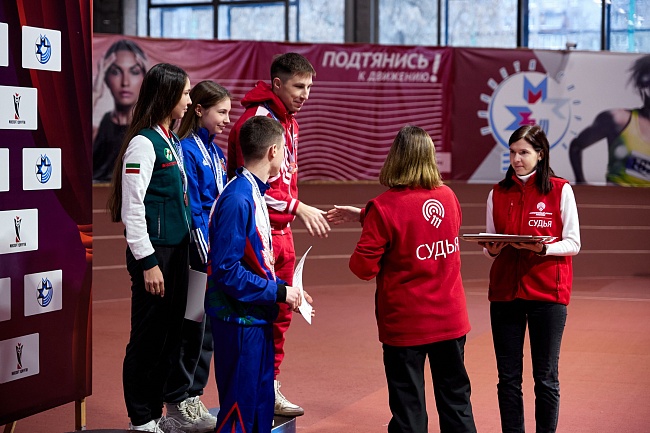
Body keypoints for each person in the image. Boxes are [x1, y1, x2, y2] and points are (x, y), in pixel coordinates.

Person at [341, 126, 478, 433]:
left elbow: (362, 268)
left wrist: (370, 220)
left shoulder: (383, 207)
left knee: (409, 410)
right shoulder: (449, 197)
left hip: (406, 324)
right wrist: (366, 216)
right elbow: (419, 225)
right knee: (457, 401)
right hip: (450, 319)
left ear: (395, 157)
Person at [227, 52, 329, 416]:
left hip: (282, 233)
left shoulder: (290, 121)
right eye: (299, 86)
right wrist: (298, 207)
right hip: (258, 234)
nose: (305, 94)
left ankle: (268, 386)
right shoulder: (257, 121)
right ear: (277, 83)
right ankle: (249, 392)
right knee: (257, 314)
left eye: (309, 87)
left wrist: (293, 210)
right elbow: (251, 186)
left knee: (283, 312)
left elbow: (284, 180)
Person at [107, 63, 192, 433]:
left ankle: (155, 414)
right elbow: (132, 208)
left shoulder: (171, 139)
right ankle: (140, 418)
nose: (189, 100)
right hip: (156, 256)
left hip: (177, 251)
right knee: (148, 338)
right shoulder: (143, 143)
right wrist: (148, 262)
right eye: (185, 93)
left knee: (170, 337)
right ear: (168, 95)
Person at [481, 125, 581, 433]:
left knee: (545, 378)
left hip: (547, 295)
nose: (516, 159)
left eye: (523, 152)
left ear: (540, 154)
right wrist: (492, 249)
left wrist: (543, 248)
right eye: (512, 152)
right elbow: (490, 244)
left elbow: (573, 243)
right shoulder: (497, 192)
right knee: (508, 378)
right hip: (504, 294)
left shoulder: (560, 189)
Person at [207, 115, 304, 433]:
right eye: (285, 151)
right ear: (274, 151)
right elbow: (227, 271)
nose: (287, 159)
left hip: (255, 316)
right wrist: (278, 292)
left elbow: (256, 262)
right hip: (239, 321)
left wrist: (285, 289)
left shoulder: (253, 192)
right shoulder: (238, 199)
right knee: (240, 411)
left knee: (260, 406)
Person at [161, 81, 231, 432]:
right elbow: (194, 207)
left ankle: (193, 395)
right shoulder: (187, 149)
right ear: (200, 110)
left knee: (206, 331)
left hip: (213, 255)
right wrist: (205, 252)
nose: (227, 119)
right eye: (222, 112)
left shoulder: (216, 153)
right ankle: (177, 399)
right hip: (197, 256)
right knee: (190, 327)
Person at [569, 54, 650, 186]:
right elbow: (576, 146)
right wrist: (581, 182)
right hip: (618, 196)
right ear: (642, 87)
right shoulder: (618, 119)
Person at [93, 39, 147, 183]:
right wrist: (95, 93)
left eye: (134, 72)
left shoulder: (148, 127)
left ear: (144, 78)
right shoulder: (100, 128)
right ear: (105, 77)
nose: (125, 82)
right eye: (116, 72)